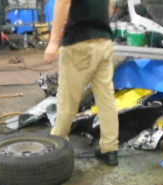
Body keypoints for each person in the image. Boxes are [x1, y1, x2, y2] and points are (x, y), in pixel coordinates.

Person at [44, 0, 119, 166]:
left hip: (79, 42)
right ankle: (110, 149)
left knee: (68, 99)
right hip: (104, 40)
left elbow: (63, 2)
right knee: (106, 99)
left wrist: (53, 41)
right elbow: (111, 4)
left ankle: (56, 147)